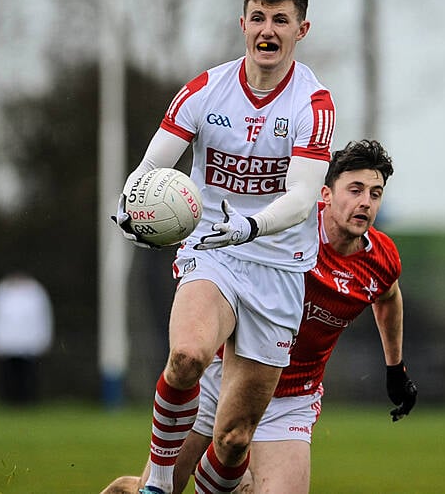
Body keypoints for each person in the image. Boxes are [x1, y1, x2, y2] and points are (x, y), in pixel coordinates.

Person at [111, 0, 335, 494]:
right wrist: (130, 205)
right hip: (211, 252)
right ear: (242, 24)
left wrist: (250, 226)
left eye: (281, 19)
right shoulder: (204, 89)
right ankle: (158, 486)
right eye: (258, 17)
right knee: (187, 355)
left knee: (234, 439)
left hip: (278, 269)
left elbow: (302, 198)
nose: (268, 29)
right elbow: (151, 167)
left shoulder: (313, 103)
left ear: (302, 29)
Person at [102, 139, 418, 494]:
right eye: (355, 190)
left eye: (375, 193)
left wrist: (396, 369)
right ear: (325, 194)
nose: (365, 202)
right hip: (227, 375)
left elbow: (388, 297)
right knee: (163, 487)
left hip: (293, 396)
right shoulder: (286, 228)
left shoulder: (381, 258)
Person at [0, 271, 54, 406]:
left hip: (28, 342)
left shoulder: (36, 292)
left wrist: (44, 339)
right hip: (6, 342)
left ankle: (28, 400)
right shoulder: (0, 292)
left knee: (28, 375)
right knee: (8, 375)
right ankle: (9, 401)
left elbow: (44, 318)